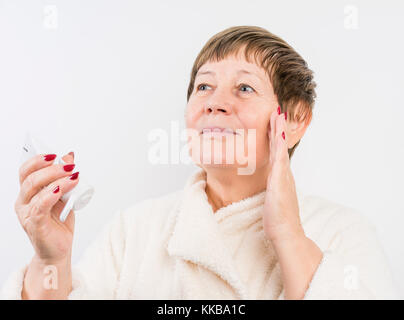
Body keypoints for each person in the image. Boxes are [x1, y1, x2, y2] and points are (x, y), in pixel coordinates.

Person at [1, 26, 398, 300]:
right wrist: (50, 259)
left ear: (294, 120)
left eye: (244, 87)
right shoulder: (134, 230)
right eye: (204, 86)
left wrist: (288, 235)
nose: (214, 101)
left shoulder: (342, 233)